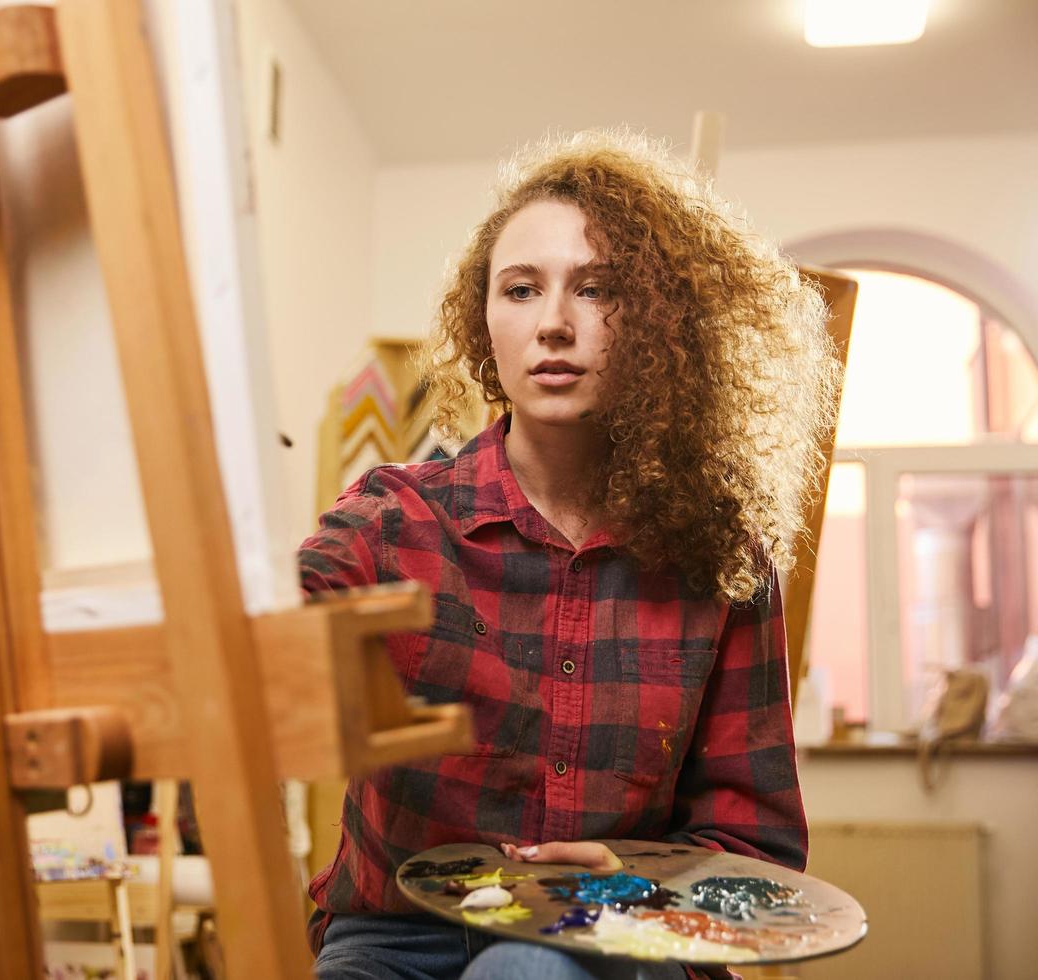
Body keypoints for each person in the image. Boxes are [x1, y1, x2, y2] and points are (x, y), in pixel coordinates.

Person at [298, 129, 840, 980]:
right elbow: (282, 617)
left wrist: (638, 885)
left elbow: (751, 841)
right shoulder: (391, 520)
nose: (553, 323)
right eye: (521, 289)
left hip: (618, 936)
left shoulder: (721, 558)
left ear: (663, 327)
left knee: (529, 974)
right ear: (483, 323)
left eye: (597, 290)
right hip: (398, 938)